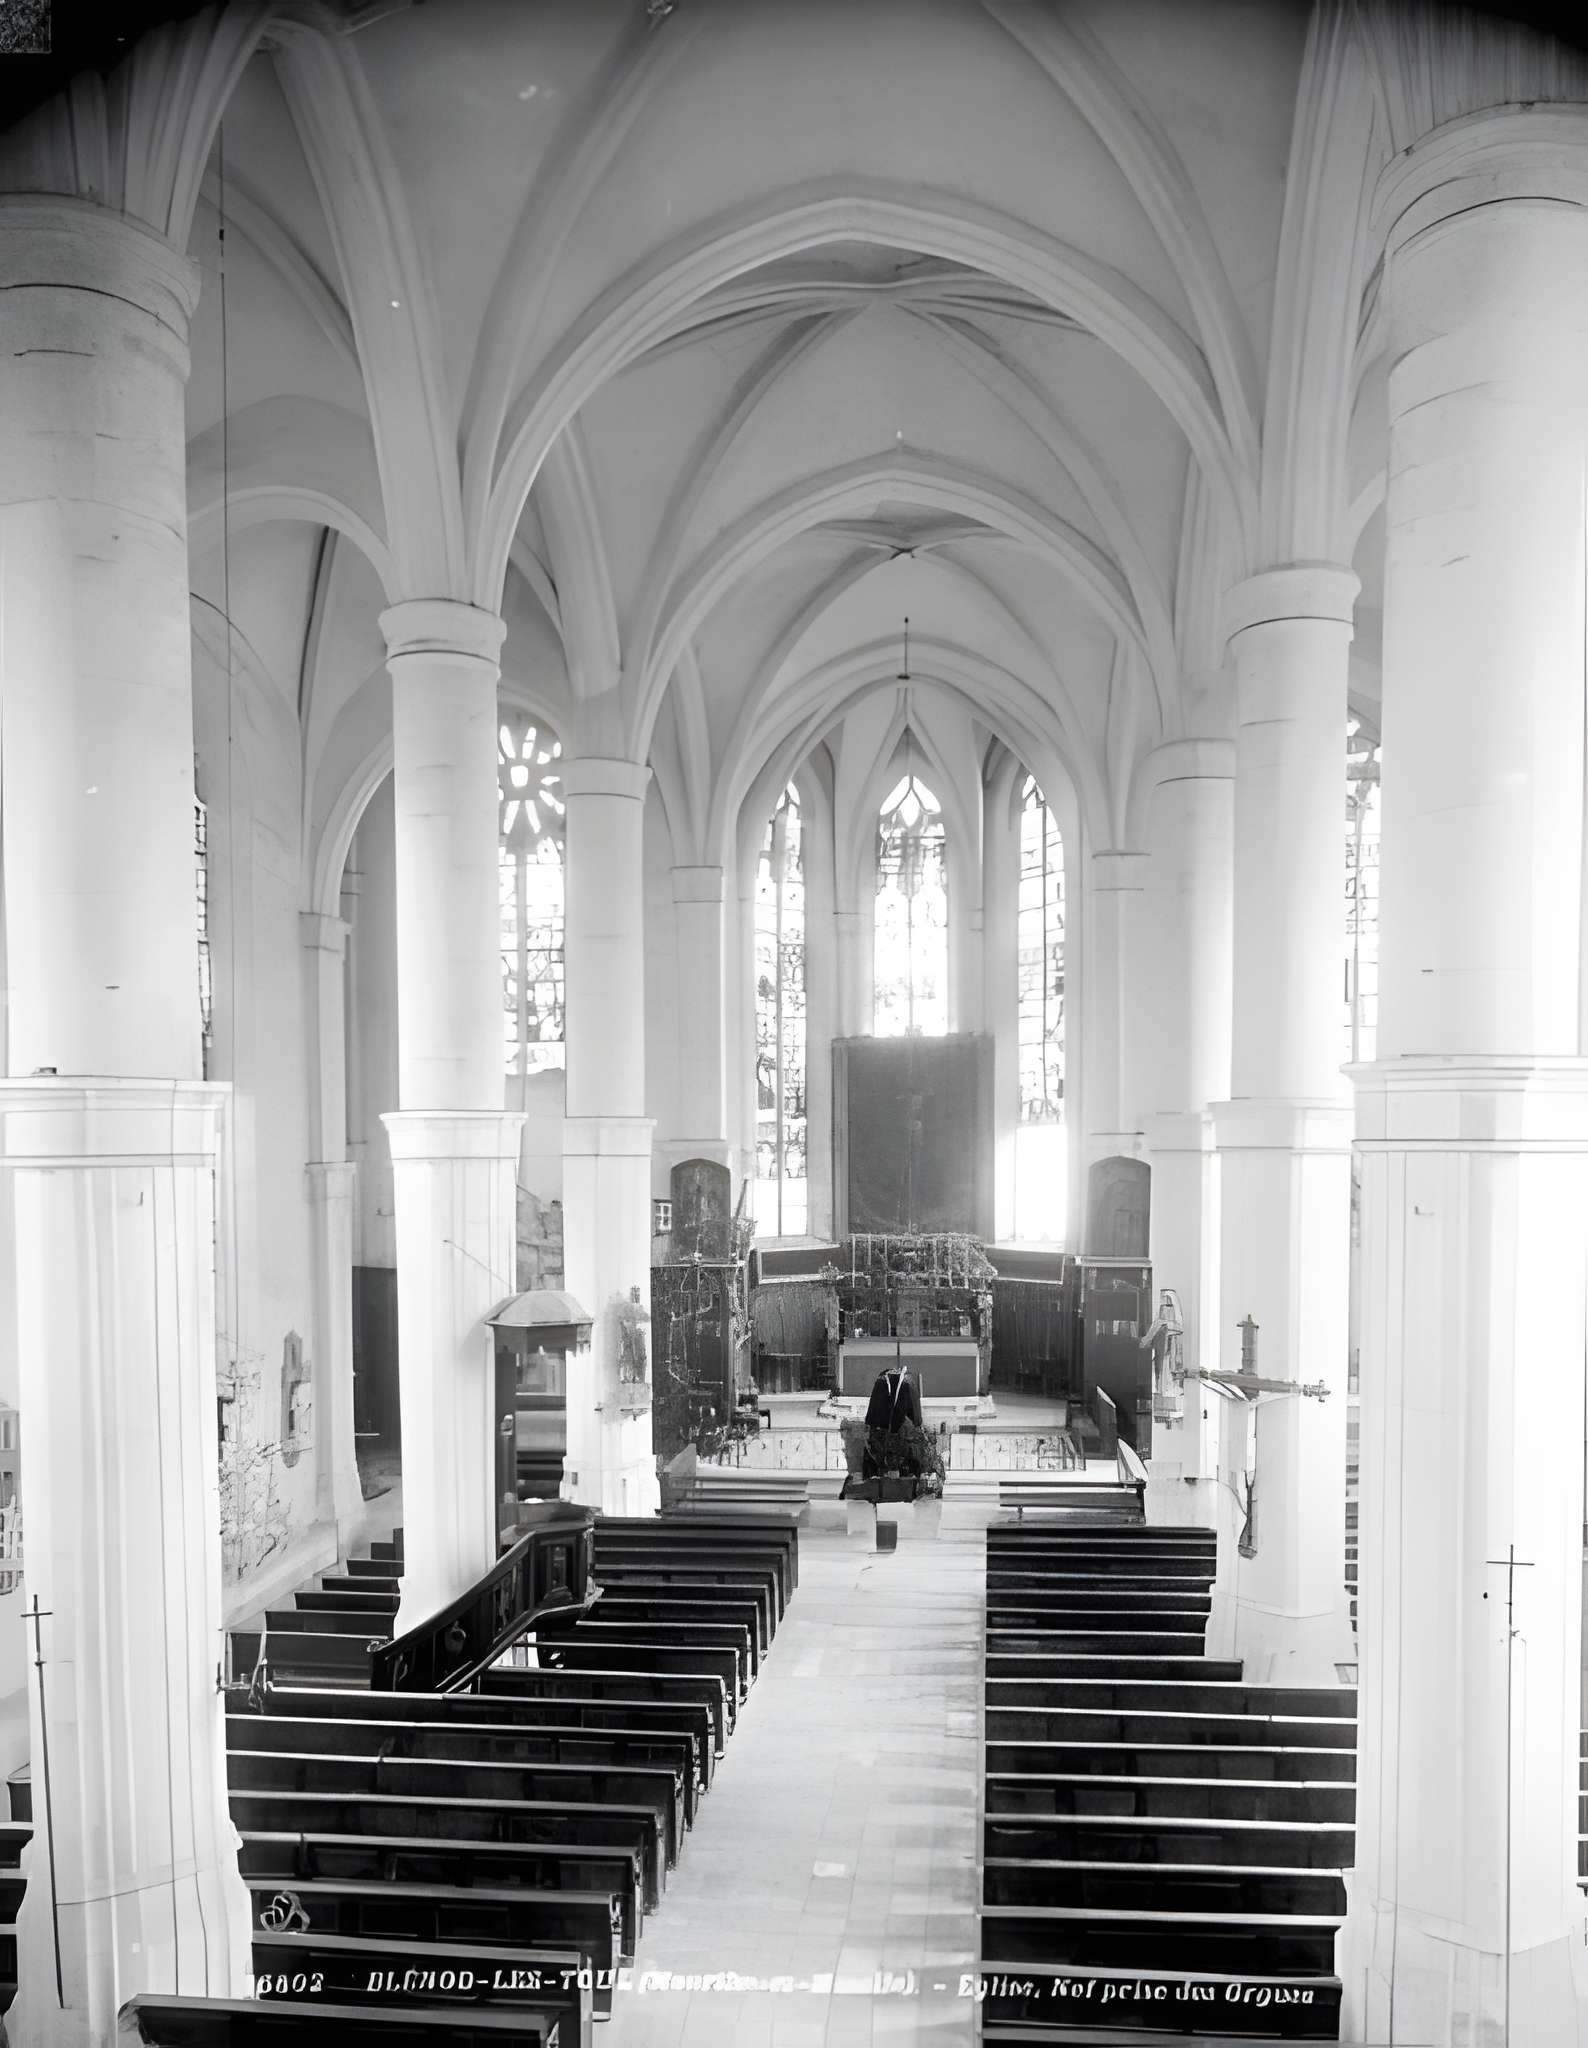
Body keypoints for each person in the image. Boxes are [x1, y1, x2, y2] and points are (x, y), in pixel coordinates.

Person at [862, 1358, 921, 1478]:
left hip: (887, 1429)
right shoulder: (906, 1383)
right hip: (892, 1429)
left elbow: (872, 1417)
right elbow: (915, 1419)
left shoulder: (879, 1452)